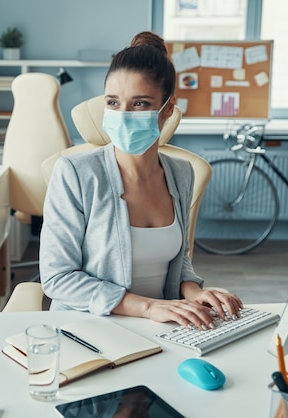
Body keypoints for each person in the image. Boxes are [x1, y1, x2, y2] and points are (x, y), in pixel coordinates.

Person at [39, 31, 243, 331]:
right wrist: (148, 307)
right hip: (91, 327)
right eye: (113, 102)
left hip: (165, 325)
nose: (122, 115)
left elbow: (178, 258)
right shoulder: (74, 172)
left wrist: (194, 291)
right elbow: (58, 278)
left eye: (139, 104)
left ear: (168, 109)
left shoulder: (182, 173)